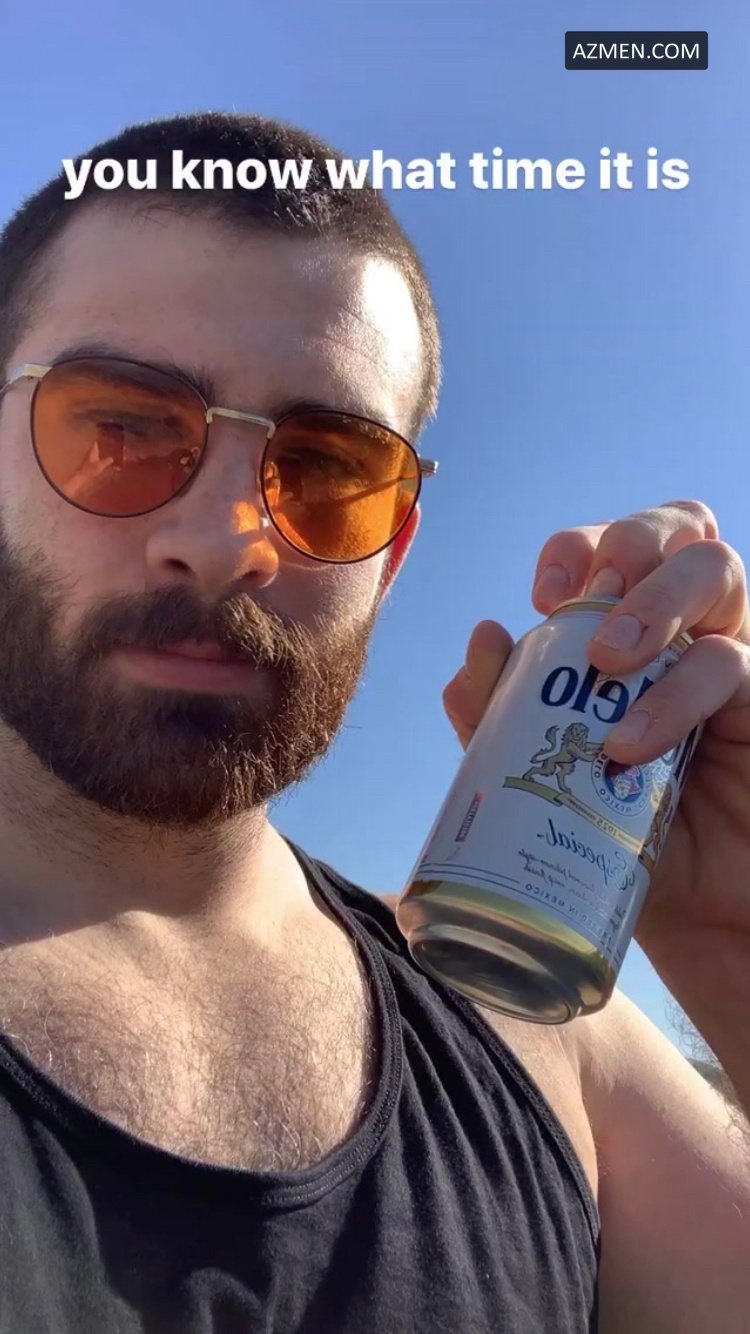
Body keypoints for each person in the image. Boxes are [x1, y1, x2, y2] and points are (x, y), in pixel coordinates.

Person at [0, 112, 746, 1334]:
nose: (224, 542)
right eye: (121, 425)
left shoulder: (544, 1046)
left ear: (391, 555)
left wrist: (732, 954)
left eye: (328, 470)